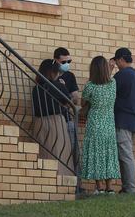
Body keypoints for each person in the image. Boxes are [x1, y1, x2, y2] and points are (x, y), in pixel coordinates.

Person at [81, 56, 121, 194]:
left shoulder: (89, 86)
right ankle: (110, 187)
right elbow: (107, 78)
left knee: (95, 153)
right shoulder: (113, 83)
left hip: (94, 123)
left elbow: (83, 103)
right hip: (109, 123)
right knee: (108, 153)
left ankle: (99, 187)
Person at [31, 59, 74, 176]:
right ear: (53, 72)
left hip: (39, 123)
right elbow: (69, 103)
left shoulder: (36, 89)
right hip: (56, 123)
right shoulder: (59, 86)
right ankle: (61, 181)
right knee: (60, 154)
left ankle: (44, 180)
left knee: (43, 153)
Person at [112, 47, 135, 193]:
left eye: (116, 61)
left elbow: (109, 92)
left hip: (122, 119)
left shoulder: (121, 75)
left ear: (120, 59)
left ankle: (130, 188)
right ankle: (127, 186)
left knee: (125, 155)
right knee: (126, 153)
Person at [53, 47, 81, 187]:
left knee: (74, 149)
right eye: (64, 61)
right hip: (53, 118)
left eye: (69, 61)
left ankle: (77, 184)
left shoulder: (70, 76)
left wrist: (66, 94)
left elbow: (76, 98)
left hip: (68, 118)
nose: (67, 64)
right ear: (56, 60)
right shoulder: (49, 74)